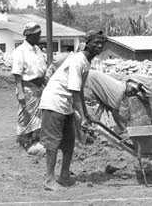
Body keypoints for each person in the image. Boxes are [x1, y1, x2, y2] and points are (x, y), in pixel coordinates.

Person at [39, 30, 106, 191]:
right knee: (53, 143)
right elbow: (74, 91)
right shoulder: (77, 60)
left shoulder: (86, 62)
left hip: (65, 105)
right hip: (54, 102)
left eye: (101, 43)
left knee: (69, 142)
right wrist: (82, 118)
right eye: (96, 42)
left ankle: (64, 175)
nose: (99, 46)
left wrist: (86, 113)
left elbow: (80, 90)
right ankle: (49, 179)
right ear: (87, 43)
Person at [11, 22, 47, 154]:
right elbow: (17, 73)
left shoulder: (37, 50)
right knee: (26, 115)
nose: (39, 37)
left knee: (38, 116)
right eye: (37, 35)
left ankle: (35, 140)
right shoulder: (20, 51)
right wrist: (20, 92)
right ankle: (24, 142)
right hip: (27, 88)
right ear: (29, 36)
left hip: (39, 86)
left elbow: (41, 69)